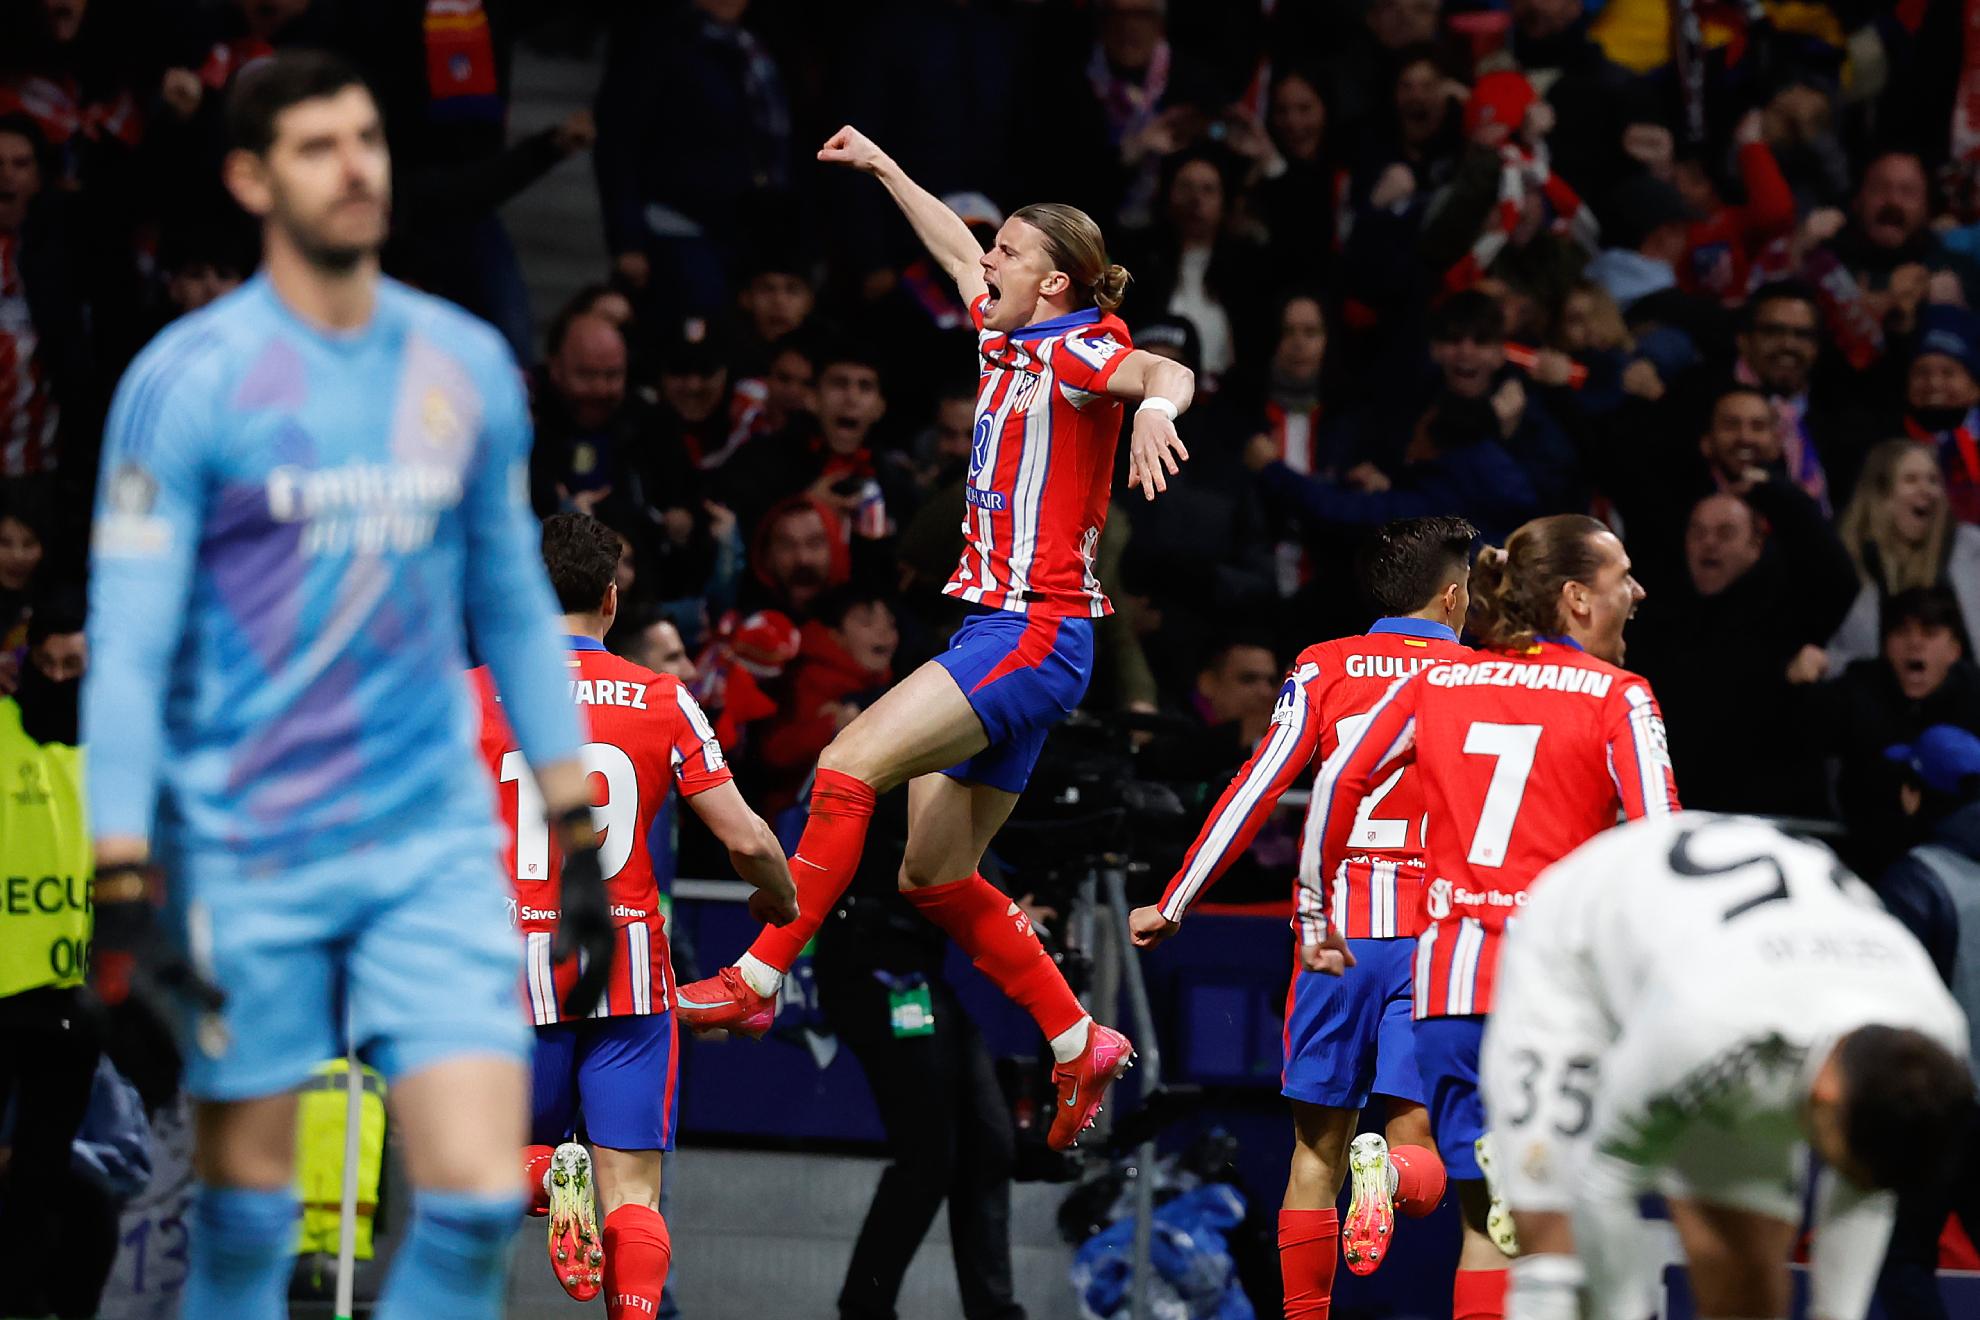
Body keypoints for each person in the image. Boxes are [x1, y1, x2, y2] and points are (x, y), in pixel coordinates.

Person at [78, 52, 615, 1319]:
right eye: (318, 146)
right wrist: (119, 868)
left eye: (368, 137)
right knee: (253, 1234)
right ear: (251, 180)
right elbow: (131, 644)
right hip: (250, 845)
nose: (358, 164)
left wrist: (575, 833)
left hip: (429, 844)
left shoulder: (468, 364)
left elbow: (515, 615)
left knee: (481, 1197)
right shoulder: (184, 382)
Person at [675, 123, 1195, 1151]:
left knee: (844, 768)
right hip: (1005, 638)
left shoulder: (1089, 346)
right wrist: (882, 169)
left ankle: (761, 974)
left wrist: (1154, 410)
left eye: (1008, 252)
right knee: (933, 877)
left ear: (1057, 284)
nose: (984, 259)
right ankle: (1076, 1035)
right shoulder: (1005, 327)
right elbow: (952, 248)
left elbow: (1162, 372)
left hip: (1030, 633)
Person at [1309, 513, 1680, 1320]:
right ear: (1579, 599)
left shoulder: (1440, 679)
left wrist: (1312, 907)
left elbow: (1339, 780)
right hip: (1551, 1002)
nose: (1639, 593)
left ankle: (1400, 1179)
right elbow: (1659, 840)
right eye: (1624, 580)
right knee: (1553, 1235)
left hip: (1448, 993)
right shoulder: (1620, 696)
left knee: (1485, 1214)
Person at [1128, 516, 1476, 1316]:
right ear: (1454, 596)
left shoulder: (1325, 666)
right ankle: (1384, 1175)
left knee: (1312, 1153)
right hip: (1435, 943)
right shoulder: (1479, 678)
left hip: (1334, 938)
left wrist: (1176, 899)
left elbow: (1254, 789)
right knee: (1418, 1154)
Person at [472, 513, 796, 1315]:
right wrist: (781, 899)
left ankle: (548, 1172)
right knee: (636, 1201)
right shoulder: (662, 699)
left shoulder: (473, 695)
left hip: (513, 974)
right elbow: (746, 836)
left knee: (469, 1160)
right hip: (629, 977)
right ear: (612, 603)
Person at [1480, 814, 1972, 1320]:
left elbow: (1869, 1191)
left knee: (1746, 1284)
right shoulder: (1710, 1026)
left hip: (1733, 973)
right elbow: (1606, 1177)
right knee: (1560, 1254)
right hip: (1578, 953)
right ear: (1826, 1094)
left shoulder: (1937, 1038)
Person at [0, 597, 100, 1319]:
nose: (61, 678)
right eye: (49, 664)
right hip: (3, 985)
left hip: (74, 995)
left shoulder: (116, 745)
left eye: (76, 667)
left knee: (42, 1172)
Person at [1872, 725, 1980, 1320]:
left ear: (1918, 792)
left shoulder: (1919, 878)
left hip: (1941, 1109)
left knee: (1901, 1262)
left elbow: (1887, 1004)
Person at [1828, 438, 1980, 669]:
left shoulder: (1969, 549)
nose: (1927, 490)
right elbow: (1827, 656)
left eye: (1933, 480)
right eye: (1911, 480)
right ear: (1880, 495)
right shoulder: (1843, 563)